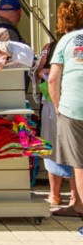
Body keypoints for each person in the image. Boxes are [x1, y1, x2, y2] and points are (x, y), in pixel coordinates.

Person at [46, 0, 83, 219]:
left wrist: (58, 106)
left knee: (79, 163)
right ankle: (77, 204)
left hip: (73, 108)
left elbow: (52, 79)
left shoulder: (65, 41)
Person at [34, 39, 73, 207]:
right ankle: (75, 196)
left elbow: (39, 72)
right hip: (73, 103)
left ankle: (55, 194)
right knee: (76, 150)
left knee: (52, 146)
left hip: (53, 104)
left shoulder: (52, 46)